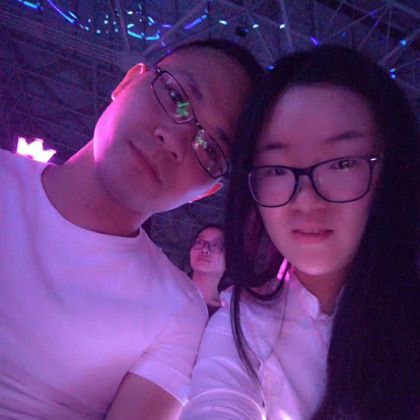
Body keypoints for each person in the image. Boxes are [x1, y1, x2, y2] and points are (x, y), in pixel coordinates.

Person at [0, 39, 262, 419]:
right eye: (176, 97)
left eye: (209, 149)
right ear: (127, 82)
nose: (175, 139)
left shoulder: (176, 310)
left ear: (207, 191)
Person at [181, 45, 419, 419]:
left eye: (342, 163)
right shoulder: (245, 321)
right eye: (276, 169)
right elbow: (218, 403)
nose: (306, 200)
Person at [189, 224, 228, 315]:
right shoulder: (169, 289)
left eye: (215, 245)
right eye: (199, 242)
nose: (205, 249)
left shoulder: (224, 316)